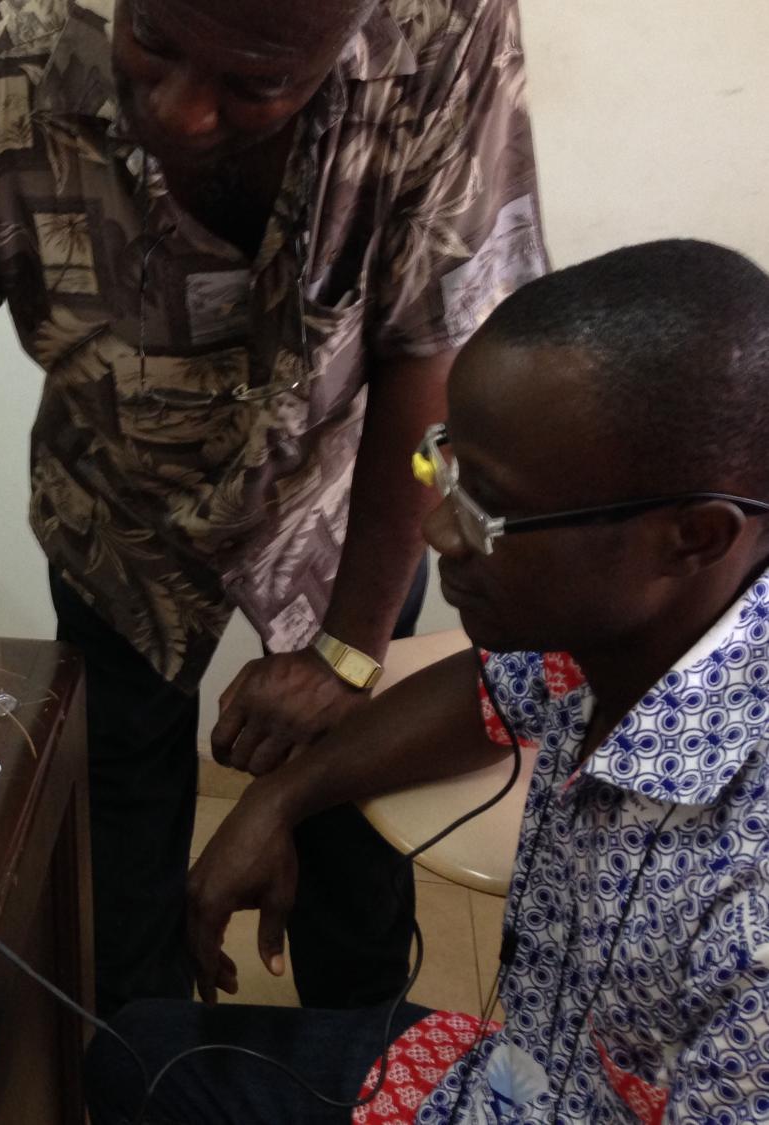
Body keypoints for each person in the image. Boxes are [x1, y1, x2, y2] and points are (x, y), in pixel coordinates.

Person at [0, 0, 547, 1015]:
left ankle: (362, 1060)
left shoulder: (446, 31)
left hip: (352, 510)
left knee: (354, 855)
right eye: (153, 45)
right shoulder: (0, 49)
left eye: (256, 84)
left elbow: (433, 341)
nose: (184, 114)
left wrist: (347, 651)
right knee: (119, 847)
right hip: (114, 520)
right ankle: (144, 1060)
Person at [85, 238, 769, 1122]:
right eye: (445, 464)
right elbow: (492, 692)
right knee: (136, 1054)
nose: (441, 529)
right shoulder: (640, 626)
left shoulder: (751, 923)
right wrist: (280, 798)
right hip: (524, 1075)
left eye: (489, 508)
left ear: (696, 536)